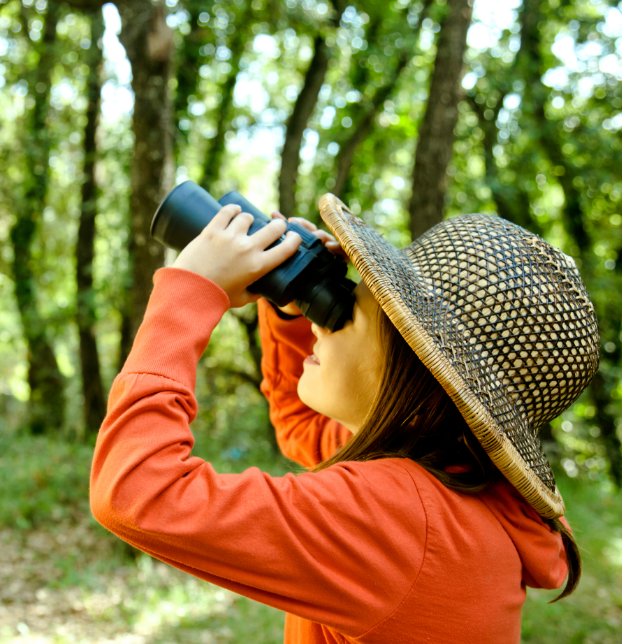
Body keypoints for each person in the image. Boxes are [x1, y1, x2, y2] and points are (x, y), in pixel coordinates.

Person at [90, 194, 600, 643]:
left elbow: (139, 491)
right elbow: (302, 427)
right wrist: (290, 308)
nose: (323, 325)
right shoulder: (457, 483)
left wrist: (193, 290)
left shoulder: (399, 517)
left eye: (352, 311)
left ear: (421, 366)